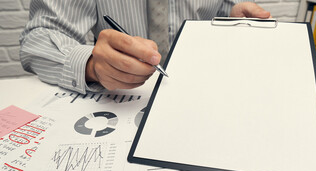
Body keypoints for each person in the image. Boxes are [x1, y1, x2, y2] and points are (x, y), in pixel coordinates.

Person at [20, 1, 270, 94]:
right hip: (124, 99)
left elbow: (216, 8)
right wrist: (91, 65)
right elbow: (38, 38)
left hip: (204, 91)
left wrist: (230, 14)